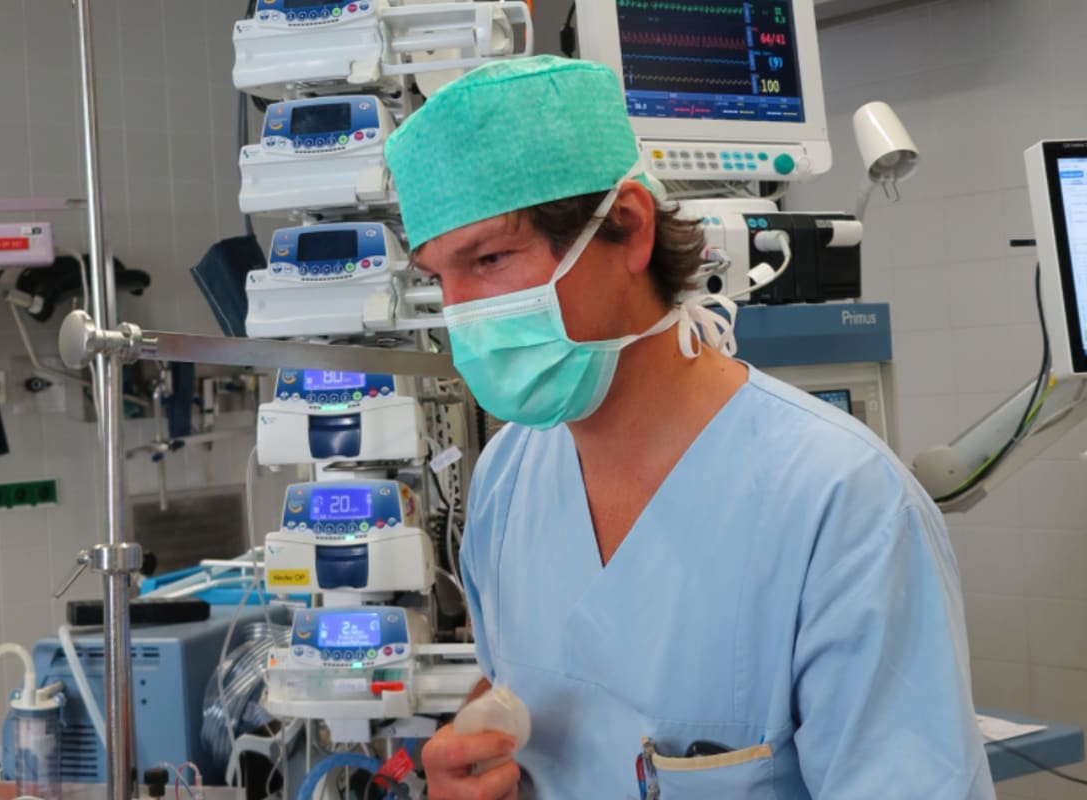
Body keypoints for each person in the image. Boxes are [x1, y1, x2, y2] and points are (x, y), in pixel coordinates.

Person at [383, 55, 993, 799]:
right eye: (437, 279)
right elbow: (530, 689)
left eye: (489, 259)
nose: (462, 315)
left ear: (630, 227)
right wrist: (473, 769)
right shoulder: (508, 479)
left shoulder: (843, 506)